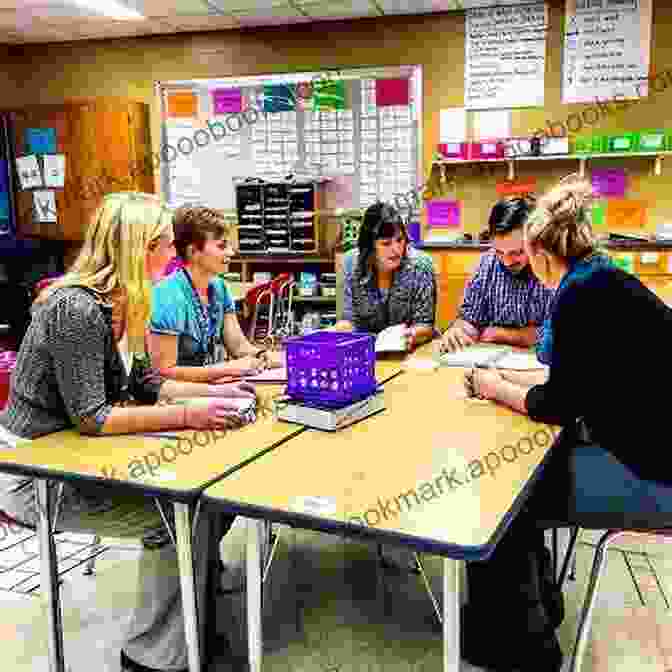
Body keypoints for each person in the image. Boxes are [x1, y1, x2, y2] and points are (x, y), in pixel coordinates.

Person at [0, 192, 258, 672]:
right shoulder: (74, 308)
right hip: (34, 473)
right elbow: (93, 416)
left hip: (77, 456)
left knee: (199, 502)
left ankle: (189, 629)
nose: (170, 253)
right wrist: (188, 416)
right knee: (173, 515)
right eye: (162, 243)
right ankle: (151, 656)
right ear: (134, 248)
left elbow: (145, 382)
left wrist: (216, 398)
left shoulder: (125, 301)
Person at [462, 175, 672, 671]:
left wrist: (494, 387)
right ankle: (538, 606)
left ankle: (522, 647)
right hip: (652, 449)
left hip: (654, 475)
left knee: (505, 495)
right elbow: (582, 380)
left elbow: (556, 404)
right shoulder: (602, 275)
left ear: (540, 251)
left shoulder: (578, 295)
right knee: (525, 480)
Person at [148, 205, 283, 383]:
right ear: (193, 251)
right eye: (222, 246)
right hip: (180, 399)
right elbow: (163, 373)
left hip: (214, 391)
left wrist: (263, 355)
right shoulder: (167, 296)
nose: (231, 253)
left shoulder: (220, 287)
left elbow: (238, 345)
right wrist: (227, 369)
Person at [440, 196, 555, 360]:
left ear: (535, 241)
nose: (507, 262)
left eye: (517, 252)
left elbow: (557, 334)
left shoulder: (551, 267)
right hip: (494, 361)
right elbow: (471, 319)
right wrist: (459, 331)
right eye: (500, 252)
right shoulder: (486, 264)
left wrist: (500, 334)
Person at [335, 201, 437, 351]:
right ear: (369, 246)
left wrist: (412, 334)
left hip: (412, 351)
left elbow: (426, 325)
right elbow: (349, 320)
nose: (396, 250)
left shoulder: (421, 266)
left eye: (400, 240)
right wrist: (337, 332)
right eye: (386, 243)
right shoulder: (351, 264)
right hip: (364, 351)